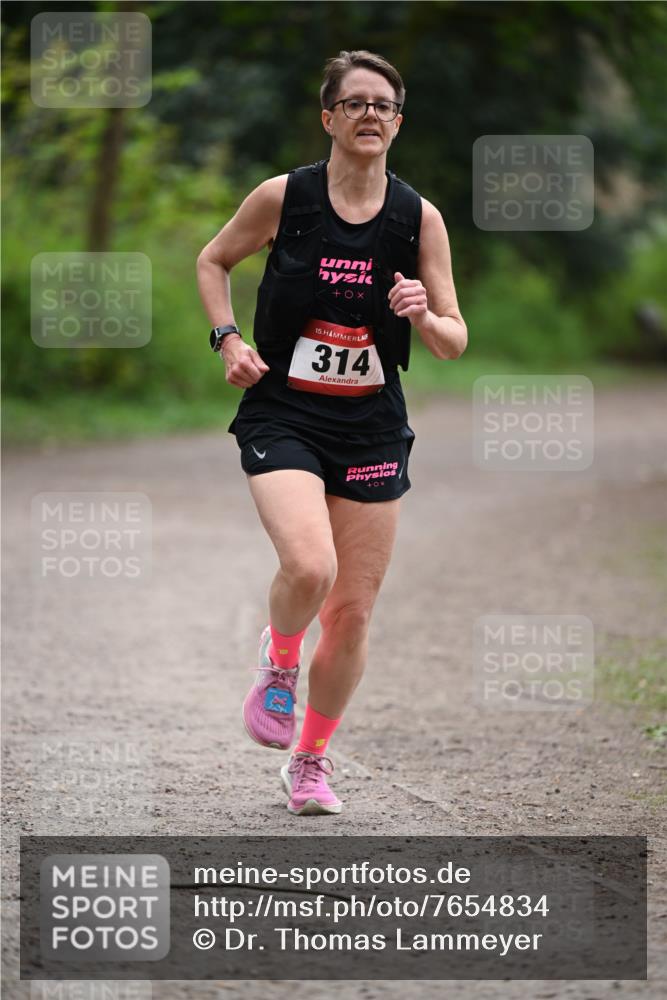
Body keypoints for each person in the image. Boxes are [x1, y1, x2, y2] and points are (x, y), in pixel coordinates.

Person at [196, 50, 467, 816]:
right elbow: (213, 260)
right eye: (354, 103)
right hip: (282, 411)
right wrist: (227, 339)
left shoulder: (418, 219)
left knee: (350, 613)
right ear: (329, 118)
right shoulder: (286, 198)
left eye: (383, 105)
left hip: (373, 426)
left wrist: (423, 314)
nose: (370, 115)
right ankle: (279, 662)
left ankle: (310, 763)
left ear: (398, 123)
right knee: (309, 569)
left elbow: (453, 339)